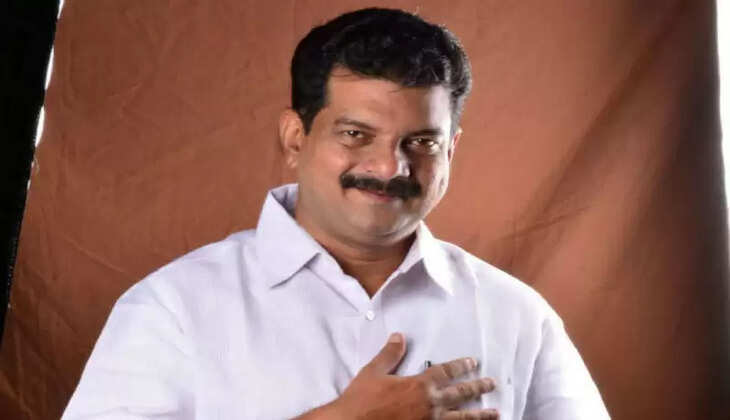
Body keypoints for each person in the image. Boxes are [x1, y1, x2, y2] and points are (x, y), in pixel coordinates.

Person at [62, 7, 610, 420]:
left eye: (421, 141)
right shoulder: (173, 308)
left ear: (452, 149)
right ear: (295, 137)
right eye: (355, 134)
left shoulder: (518, 317)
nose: (389, 166)